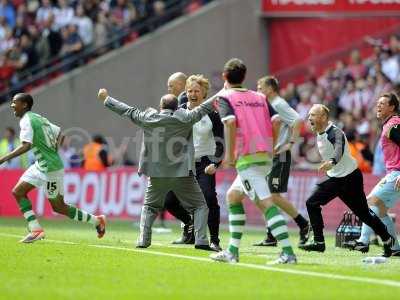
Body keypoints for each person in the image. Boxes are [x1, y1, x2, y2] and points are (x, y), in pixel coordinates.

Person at [97, 88, 217, 250]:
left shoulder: (148, 118)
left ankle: (143, 240)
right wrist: (224, 92)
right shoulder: (186, 118)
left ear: (161, 107)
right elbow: (205, 107)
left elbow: (126, 110)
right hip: (182, 174)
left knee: (150, 207)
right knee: (200, 206)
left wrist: (106, 99)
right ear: (177, 108)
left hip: (157, 174)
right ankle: (201, 241)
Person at [210, 58, 296, 264]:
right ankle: (232, 251)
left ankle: (288, 253)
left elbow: (229, 123)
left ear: (224, 77)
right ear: (244, 77)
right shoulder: (259, 96)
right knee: (233, 196)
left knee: (266, 203)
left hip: (247, 159)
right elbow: (276, 121)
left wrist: (229, 155)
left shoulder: (225, 97)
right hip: (264, 155)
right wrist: (272, 145)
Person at [0, 93, 106, 243]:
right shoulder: (38, 118)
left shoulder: (26, 121)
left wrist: (4, 158)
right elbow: (59, 132)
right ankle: (36, 229)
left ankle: (97, 220)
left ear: (24, 104)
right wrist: (52, 151)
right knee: (18, 191)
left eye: (14, 102)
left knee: (59, 207)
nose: (12, 105)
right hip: (40, 165)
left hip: (51, 169)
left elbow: (26, 146)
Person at [299, 104, 393, 257]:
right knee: (312, 203)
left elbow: (338, 148)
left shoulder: (334, 132)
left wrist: (332, 161)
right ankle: (319, 242)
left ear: (323, 117)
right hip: (336, 177)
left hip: (350, 178)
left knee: (364, 214)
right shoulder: (319, 133)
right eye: (309, 115)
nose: (309, 118)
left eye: (313, 115)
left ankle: (387, 240)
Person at [164, 74, 224, 251]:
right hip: (183, 163)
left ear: (204, 93)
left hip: (205, 163)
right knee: (168, 200)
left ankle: (214, 240)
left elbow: (221, 143)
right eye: (189, 90)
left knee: (209, 198)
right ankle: (189, 223)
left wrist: (216, 163)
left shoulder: (212, 114)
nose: (192, 94)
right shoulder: (179, 111)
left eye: (197, 91)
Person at [254, 75, 310, 247]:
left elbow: (298, 120)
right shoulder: (269, 105)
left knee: (273, 195)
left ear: (270, 89)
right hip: (270, 155)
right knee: (264, 195)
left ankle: (303, 224)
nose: (258, 90)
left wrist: (291, 143)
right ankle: (272, 235)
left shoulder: (278, 103)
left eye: (260, 86)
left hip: (281, 155)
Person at [345, 93, 400, 256]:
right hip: (393, 173)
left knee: (369, 203)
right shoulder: (389, 124)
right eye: (378, 103)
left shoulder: (393, 125)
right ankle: (395, 248)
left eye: (383, 103)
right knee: (380, 210)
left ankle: (363, 241)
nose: (378, 106)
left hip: (397, 174)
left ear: (392, 107)